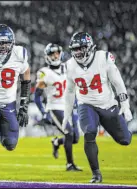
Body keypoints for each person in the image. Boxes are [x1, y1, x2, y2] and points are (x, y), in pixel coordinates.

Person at [62, 32, 133, 183]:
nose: (78, 52)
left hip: (107, 104)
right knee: (89, 132)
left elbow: (118, 83)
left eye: (81, 48)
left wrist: (125, 105)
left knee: (125, 140)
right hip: (86, 104)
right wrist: (66, 114)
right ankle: (96, 174)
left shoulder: (103, 58)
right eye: (75, 49)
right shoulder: (70, 65)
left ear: (89, 47)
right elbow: (69, 91)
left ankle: (127, 133)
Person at [0, 24, 31, 186]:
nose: (3, 46)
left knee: (10, 144)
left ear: (12, 43)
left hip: (9, 105)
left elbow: (26, 79)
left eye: (6, 43)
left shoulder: (20, 53)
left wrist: (23, 105)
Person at [34, 43, 82, 171]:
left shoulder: (68, 68)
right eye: (52, 54)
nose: (55, 56)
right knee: (69, 133)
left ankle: (56, 142)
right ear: (47, 56)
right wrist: (44, 112)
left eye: (56, 53)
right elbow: (37, 96)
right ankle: (69, 164)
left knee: (76, 138)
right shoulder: (44, 72)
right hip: (55, 107)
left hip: (69, 107)